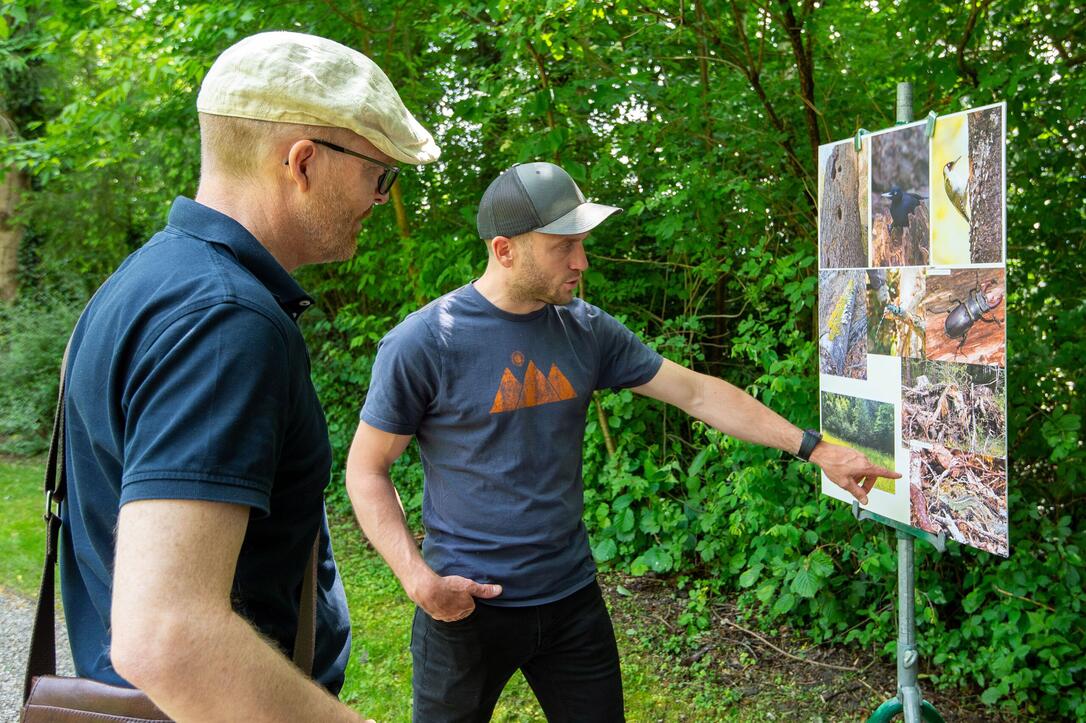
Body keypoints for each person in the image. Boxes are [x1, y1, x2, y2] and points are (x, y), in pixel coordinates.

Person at [345, 162, 898, 722]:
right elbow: (366, 469)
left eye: (582, 244)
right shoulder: (424, 342)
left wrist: (816, 448)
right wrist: (418, 580)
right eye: (564, 247)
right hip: (465, 607)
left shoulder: (585, 329)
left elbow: (697, 394)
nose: (581, 262)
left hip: (570, 599)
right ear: (505, 250)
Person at [60, 31, 439, 720]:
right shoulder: (226, 320)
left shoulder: (144, 281)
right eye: (380, 175)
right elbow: (169, 637)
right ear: (301, 162)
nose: (381, 199)